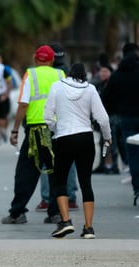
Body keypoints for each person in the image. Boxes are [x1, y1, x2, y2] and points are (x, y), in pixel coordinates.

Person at [44, 63, 111, 238]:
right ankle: (88, 228)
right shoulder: (90, 89)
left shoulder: (57, 86)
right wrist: (107, 136)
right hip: (85, 138)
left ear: (68, 74)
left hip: (63, 138)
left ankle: (65, 221)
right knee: (85, 182)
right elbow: (103, 118)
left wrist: (56, 129)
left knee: (59, 180)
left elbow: (47, 116)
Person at [1, 45, 64, 224]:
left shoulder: (31, 75)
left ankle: (17, 213)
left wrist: (14, 130)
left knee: (25, 173)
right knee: (56, 172)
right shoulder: (60, 75)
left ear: (36, 59)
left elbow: (23, 104)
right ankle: (55, 213)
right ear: (52, 60)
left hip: (35, 132)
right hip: (56, 131)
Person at [36, 42, 80, 213]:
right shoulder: (70, 72)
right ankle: (70, 198)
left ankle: (47, 199)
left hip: (47, 123)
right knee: (70, 163)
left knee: (47, 163)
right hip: (69, 123)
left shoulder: (44, 73)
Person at [102, 42, 139, 206]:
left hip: (126, 118)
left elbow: (107, 97)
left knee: (132, 154)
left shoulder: (117, 75)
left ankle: (137, 187)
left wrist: (116, 110)